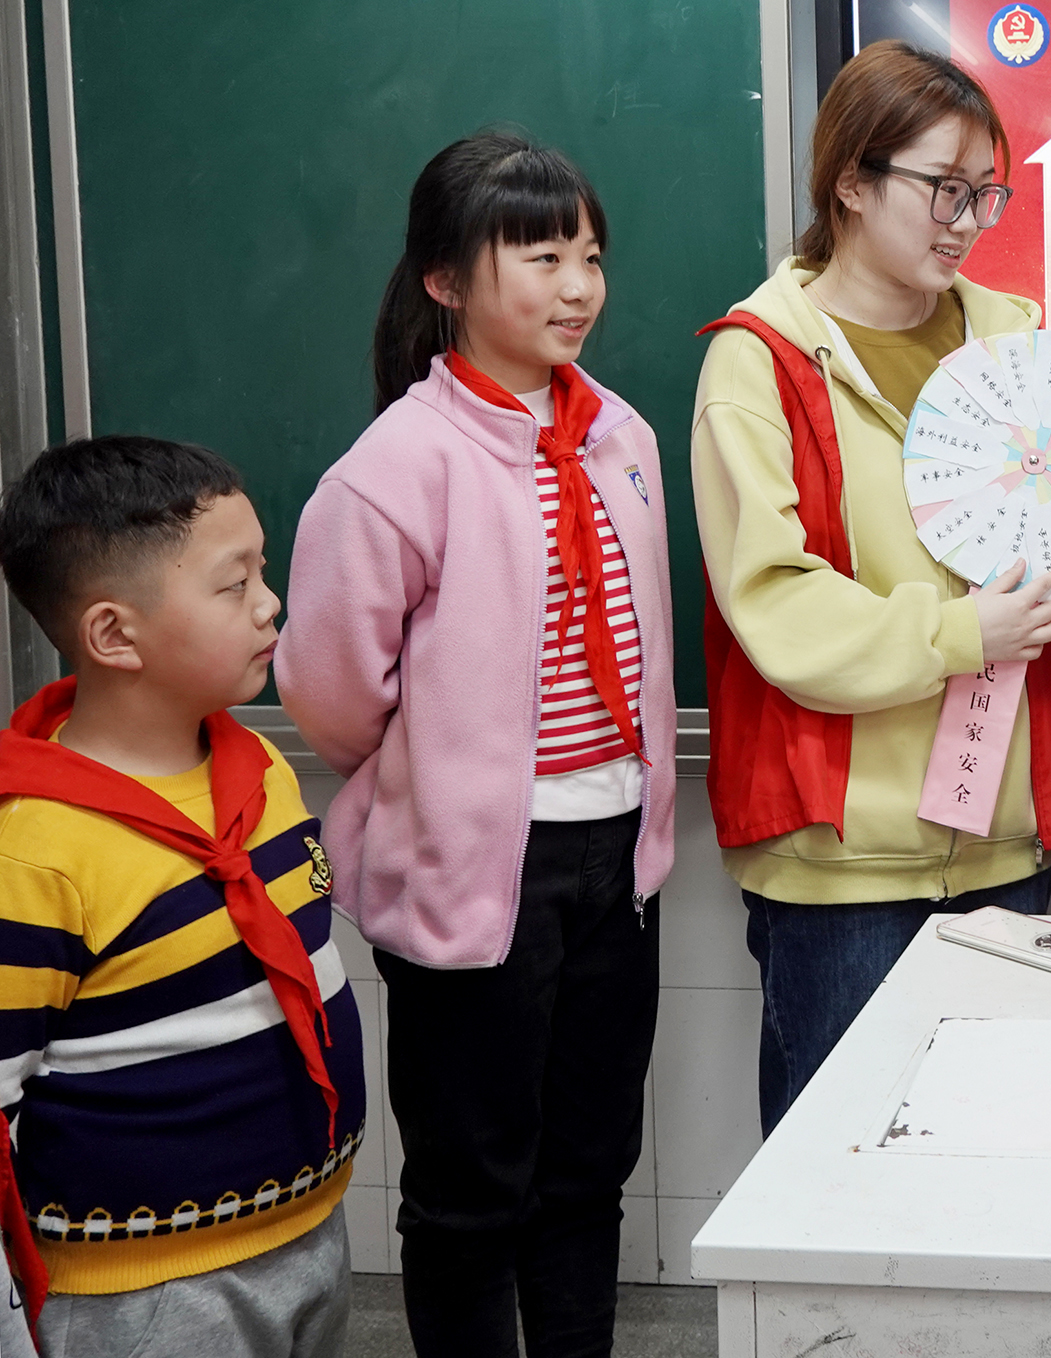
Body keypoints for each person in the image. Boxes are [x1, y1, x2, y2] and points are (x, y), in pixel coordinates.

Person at [692, 40, 1051, 1134]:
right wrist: (960, 632)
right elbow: (774, 603)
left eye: (985, 193)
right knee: (843, 1159)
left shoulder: (1014, 342)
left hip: (1003, 844)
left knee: (992, 1152)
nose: (967, 221)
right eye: (943, 189)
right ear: (851, 182)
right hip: (845, 863)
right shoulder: (761, 359)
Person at [276, 132, 673, 1356]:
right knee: (469, 1190)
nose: (579, 286)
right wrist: (442, 785)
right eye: (541, 256)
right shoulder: (396, 466)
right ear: (446, 279)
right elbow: (331, 690)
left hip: (617, 852)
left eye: (590, 255)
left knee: (588, 1167)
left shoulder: (622, 435)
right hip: (477, 866)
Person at [0, 436, 364, 1357]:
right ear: (114, 635)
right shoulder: (35, 853)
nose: (270, 603)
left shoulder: (261, 769)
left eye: (262, 571)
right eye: (233, 585)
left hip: (309, 1231)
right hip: (143, 1294)